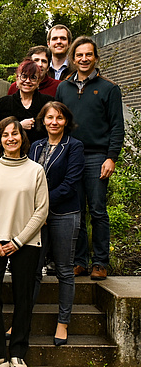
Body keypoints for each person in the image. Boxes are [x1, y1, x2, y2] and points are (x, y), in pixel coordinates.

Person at [0, 117, 48, 367]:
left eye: (15, 134)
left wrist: (17, 241)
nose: (11, 138)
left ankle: (17, 353)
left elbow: (41, 210)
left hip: (25, 243)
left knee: (23, 297)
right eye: (5, 135)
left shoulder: (36, 170)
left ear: (22, 138)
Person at [56, 36, 124, 280]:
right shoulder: (63, 88)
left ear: (96, 57)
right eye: (79, 55)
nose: (84, 59)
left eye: (88, 55)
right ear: (73, 59)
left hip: (97, 157)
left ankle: (101, 262)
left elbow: (117, 126)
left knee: (97, 210)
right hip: (71, 156)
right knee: (76, 211)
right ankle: (80, 261)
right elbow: (57, 122)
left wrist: (111, 157)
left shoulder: (109, 88)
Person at [29, 101, 85, 346]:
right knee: (32, 270)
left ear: (66, 121)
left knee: (64, 270)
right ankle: (23, 319)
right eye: (49, 118)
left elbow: (70, 183)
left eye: (59, 118)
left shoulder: (74, 146)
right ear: (43, 121)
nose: (54, 122)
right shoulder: (34, 146)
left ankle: (63, 322)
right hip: (35, 217)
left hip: (64, 213)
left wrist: (42, 202)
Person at [0, 59, 53, 143]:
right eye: (24, 76)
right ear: (17, 78)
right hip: (12, 151)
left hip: (40, 152)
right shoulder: (4, 103)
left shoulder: (48, 102)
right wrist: (19, 126)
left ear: (38, 82)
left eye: (33, 78)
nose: (27, 81)